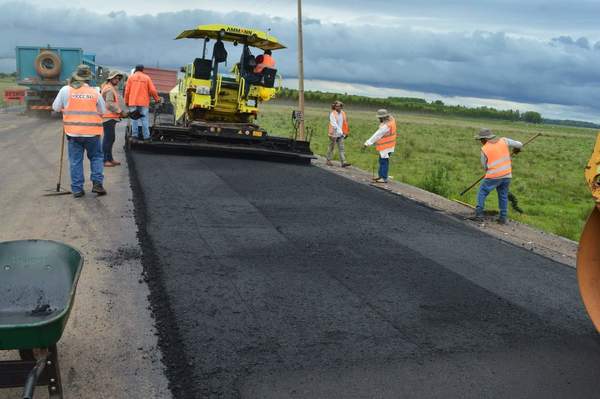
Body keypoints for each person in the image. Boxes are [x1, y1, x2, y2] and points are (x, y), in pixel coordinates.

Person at [52, 64, 107, 198]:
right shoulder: (95, 92)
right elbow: (103, 111)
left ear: (76, 76)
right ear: (89, 78)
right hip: (93, 134)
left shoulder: (65, 90)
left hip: (73, 133)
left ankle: (77, 189)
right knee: (96, 158)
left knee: (76, 161)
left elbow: (56, 107)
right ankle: (97, 184)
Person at [472, 128, 523, 224]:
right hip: (507, 175)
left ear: (484, 139)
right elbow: (520, 144)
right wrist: (517, 149)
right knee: (503, 195)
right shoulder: (504, 140)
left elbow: (485, 166)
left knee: (482, 191)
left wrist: (490, 171)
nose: (481, 142)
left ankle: (479, 214)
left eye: (481, 140)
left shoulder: (484, 149)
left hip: (493, 176)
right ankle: (503, 218)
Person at [124, 64, 161, 140]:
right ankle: (146, 136)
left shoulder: (131, 78)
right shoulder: (147, 78)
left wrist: (126, 101)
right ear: (142, 70)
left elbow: (127, 91)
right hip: (143, 102)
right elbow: (152, 90)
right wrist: (157, 99)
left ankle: (134, 135)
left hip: (133, 101)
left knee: (134, 119)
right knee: (144, 119)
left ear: (135, 69)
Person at [101, 70, 127, 167]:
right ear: (110, 78)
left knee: (111, 139)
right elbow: (109, 104)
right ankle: (105, 160)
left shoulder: (111, 88)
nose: (117, 80)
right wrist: (120, 111)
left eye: (118, 78)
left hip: (111, 118)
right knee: (108, 139)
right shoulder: (109, 89)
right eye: (115, 78)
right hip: (108, 118)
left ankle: (110, 159)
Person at [363, 109, 397, 183]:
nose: (379, 119)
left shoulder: (386, 126)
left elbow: (377, 135)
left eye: (380, 118)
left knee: (383, 161)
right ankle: (381, 176)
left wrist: (367, 143)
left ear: (383, 117)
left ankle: (383, 177)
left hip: (386, 146)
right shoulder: (391, 121)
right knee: (383, 161)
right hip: (390, 145)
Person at [326, 101, 351, 167]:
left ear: (341, 106)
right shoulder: (332, 114)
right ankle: (328, 160)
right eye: (336, 106)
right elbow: (334, 124)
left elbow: (345, 123)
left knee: (341, 148)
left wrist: (346, 133)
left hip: (341, 134)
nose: (337, 107)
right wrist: (340, 132)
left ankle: (343, 162)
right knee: (331, 147)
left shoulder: (343, 113)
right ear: (334, 106)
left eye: (339, 106)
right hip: (333, 134)